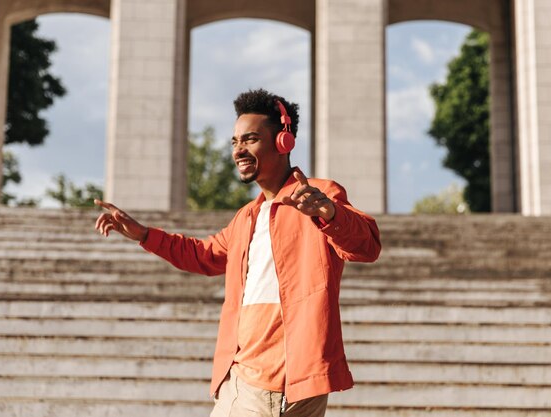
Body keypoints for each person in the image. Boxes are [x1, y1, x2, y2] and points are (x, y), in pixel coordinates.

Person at [94, 88, 381, 416]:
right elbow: (202, 254)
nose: (238, 150)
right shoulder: (246, 218)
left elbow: (367, 246)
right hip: (242, 380)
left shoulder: (320, 195)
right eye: (235, 142)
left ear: (283, 142)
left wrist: (330, 214)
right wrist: (144, 235)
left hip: (291, 384)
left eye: (250, 139)